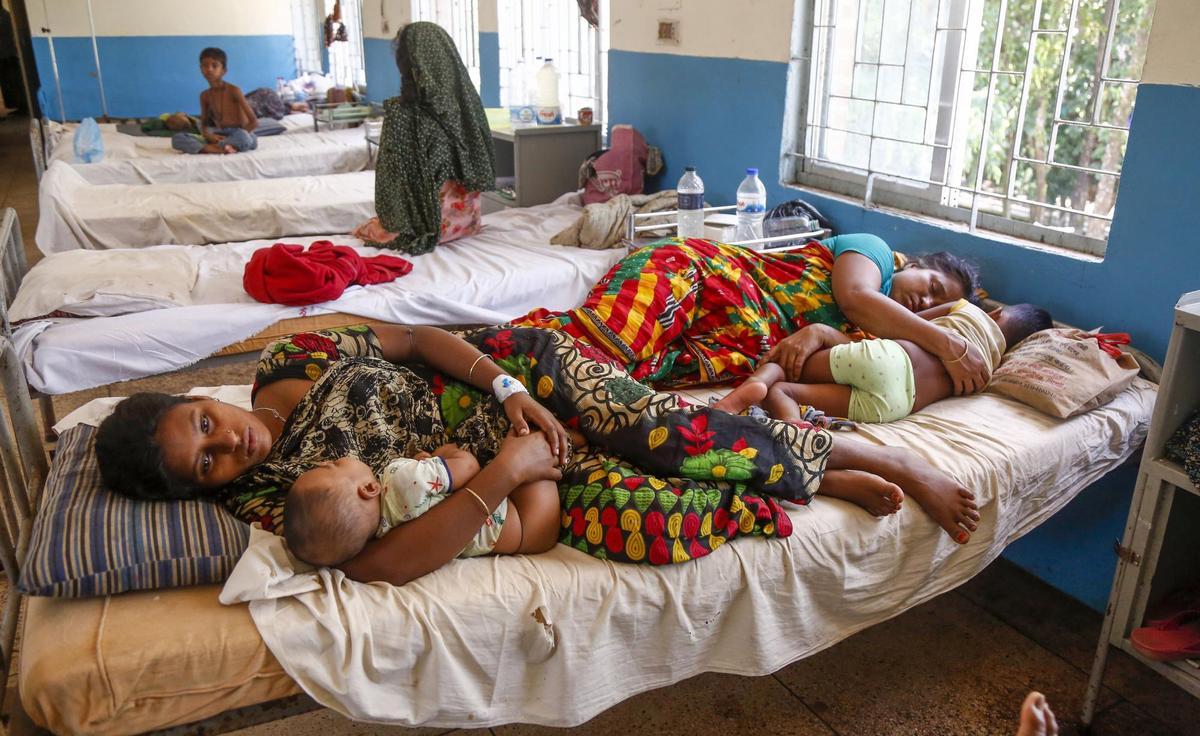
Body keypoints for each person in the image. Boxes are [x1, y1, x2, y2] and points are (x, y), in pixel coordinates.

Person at [95, 324, 982, 587]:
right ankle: (811, 471)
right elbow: (383, 563)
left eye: (205, 424)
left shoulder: (293, 359)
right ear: (196, 491)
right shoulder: (268, 499)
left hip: (512, 386)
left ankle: (884, 462)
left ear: (201, 395)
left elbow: (412, 337)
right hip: (507, 472)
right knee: (648, 519)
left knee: (664, 429)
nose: (229, 446)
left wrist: (509, 392)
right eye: (203, 464)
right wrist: (508, 477)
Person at [510, 233, 992, 395]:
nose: (923, 303)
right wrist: (949, 343)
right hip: (700, 277)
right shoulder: (875, 255)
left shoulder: (872, 337)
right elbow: (856, 297)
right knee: (607, 341)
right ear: (914, 263)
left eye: (935, 304)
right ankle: (479, 350)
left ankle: (490, 379)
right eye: (929, 286)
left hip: (726, 349)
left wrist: (956, 314)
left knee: (608, 379)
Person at [715, 301, 1053, 425]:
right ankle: (793, 427)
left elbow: (909, 321)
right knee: (791, 392)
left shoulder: (967, 309)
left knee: (790, 367)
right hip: (896, 404)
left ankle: (755, 385)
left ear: (996, 312)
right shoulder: (989, 367)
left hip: (890, 357)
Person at [284, 446, 560, 567]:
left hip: (521, 536)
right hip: (529, 515)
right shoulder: (402, 480)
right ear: (369, 489)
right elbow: (468, 466)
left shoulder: (382, 532)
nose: (331, 460)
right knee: (540, 439)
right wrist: (445, 454)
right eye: (334, 465)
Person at [353, 21, 494, 254]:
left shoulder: (403, 115)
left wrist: (389, 226)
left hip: (429, 227)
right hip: (467, 224)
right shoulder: (467, 109)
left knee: (366, 229)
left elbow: (392, 185)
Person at [171, 46, 259, 155]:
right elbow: (204, 126)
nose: (209, 69)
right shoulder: (204, 95)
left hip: (240, 133)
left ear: (224, 71)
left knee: (247, 139)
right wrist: (209, 136)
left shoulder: (234, 90)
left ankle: (213, 148)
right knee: (177, 138)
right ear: (200, 68)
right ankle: (221, 148)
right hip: (219, 134)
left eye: (214, 66)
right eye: (205, 65)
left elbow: (254, 122)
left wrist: (236, 136)